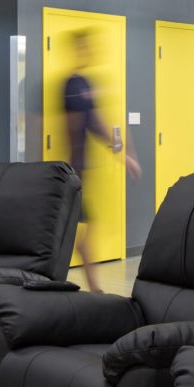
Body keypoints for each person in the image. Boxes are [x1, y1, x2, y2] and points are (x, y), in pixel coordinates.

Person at [64, 27, 140, 293]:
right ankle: (93, 288)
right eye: (86, 47)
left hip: (80, 169)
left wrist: (122, 151)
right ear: (77, 50)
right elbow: (89, 124)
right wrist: (124, 155)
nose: (90, 51)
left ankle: (94, 289)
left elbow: (95, 122)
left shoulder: (83, 84)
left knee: (83, 227)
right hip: (72, 170)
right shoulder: (73, 86)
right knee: (77, 229)